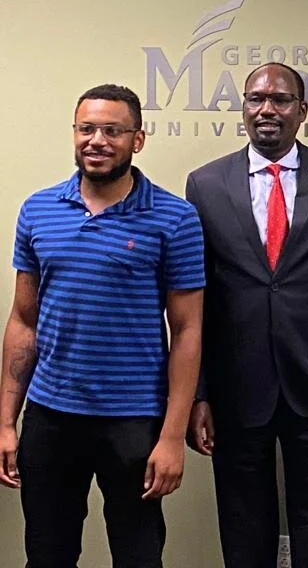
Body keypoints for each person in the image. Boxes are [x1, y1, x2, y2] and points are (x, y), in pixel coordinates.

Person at [184, 63, 308, 568]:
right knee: (243, 525)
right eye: (256, 99)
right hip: (236, 385)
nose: (267, 109)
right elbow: (196, 299)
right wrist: (200, 392)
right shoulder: (205, 184)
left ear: (302, 110)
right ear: (243, 108)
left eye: (281, 99)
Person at [0, 84, 205, 567]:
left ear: (137, 140)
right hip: (50, 416)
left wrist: (171, 437)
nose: (97, 140)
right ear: (74, 133)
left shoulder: (175, 218)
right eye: (87, 129)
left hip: (134, 420)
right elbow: (23, 321)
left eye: (112, 131)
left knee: (138, 556)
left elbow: (188, 332)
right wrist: (6, 421)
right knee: (47, 554)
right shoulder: (38, 210)